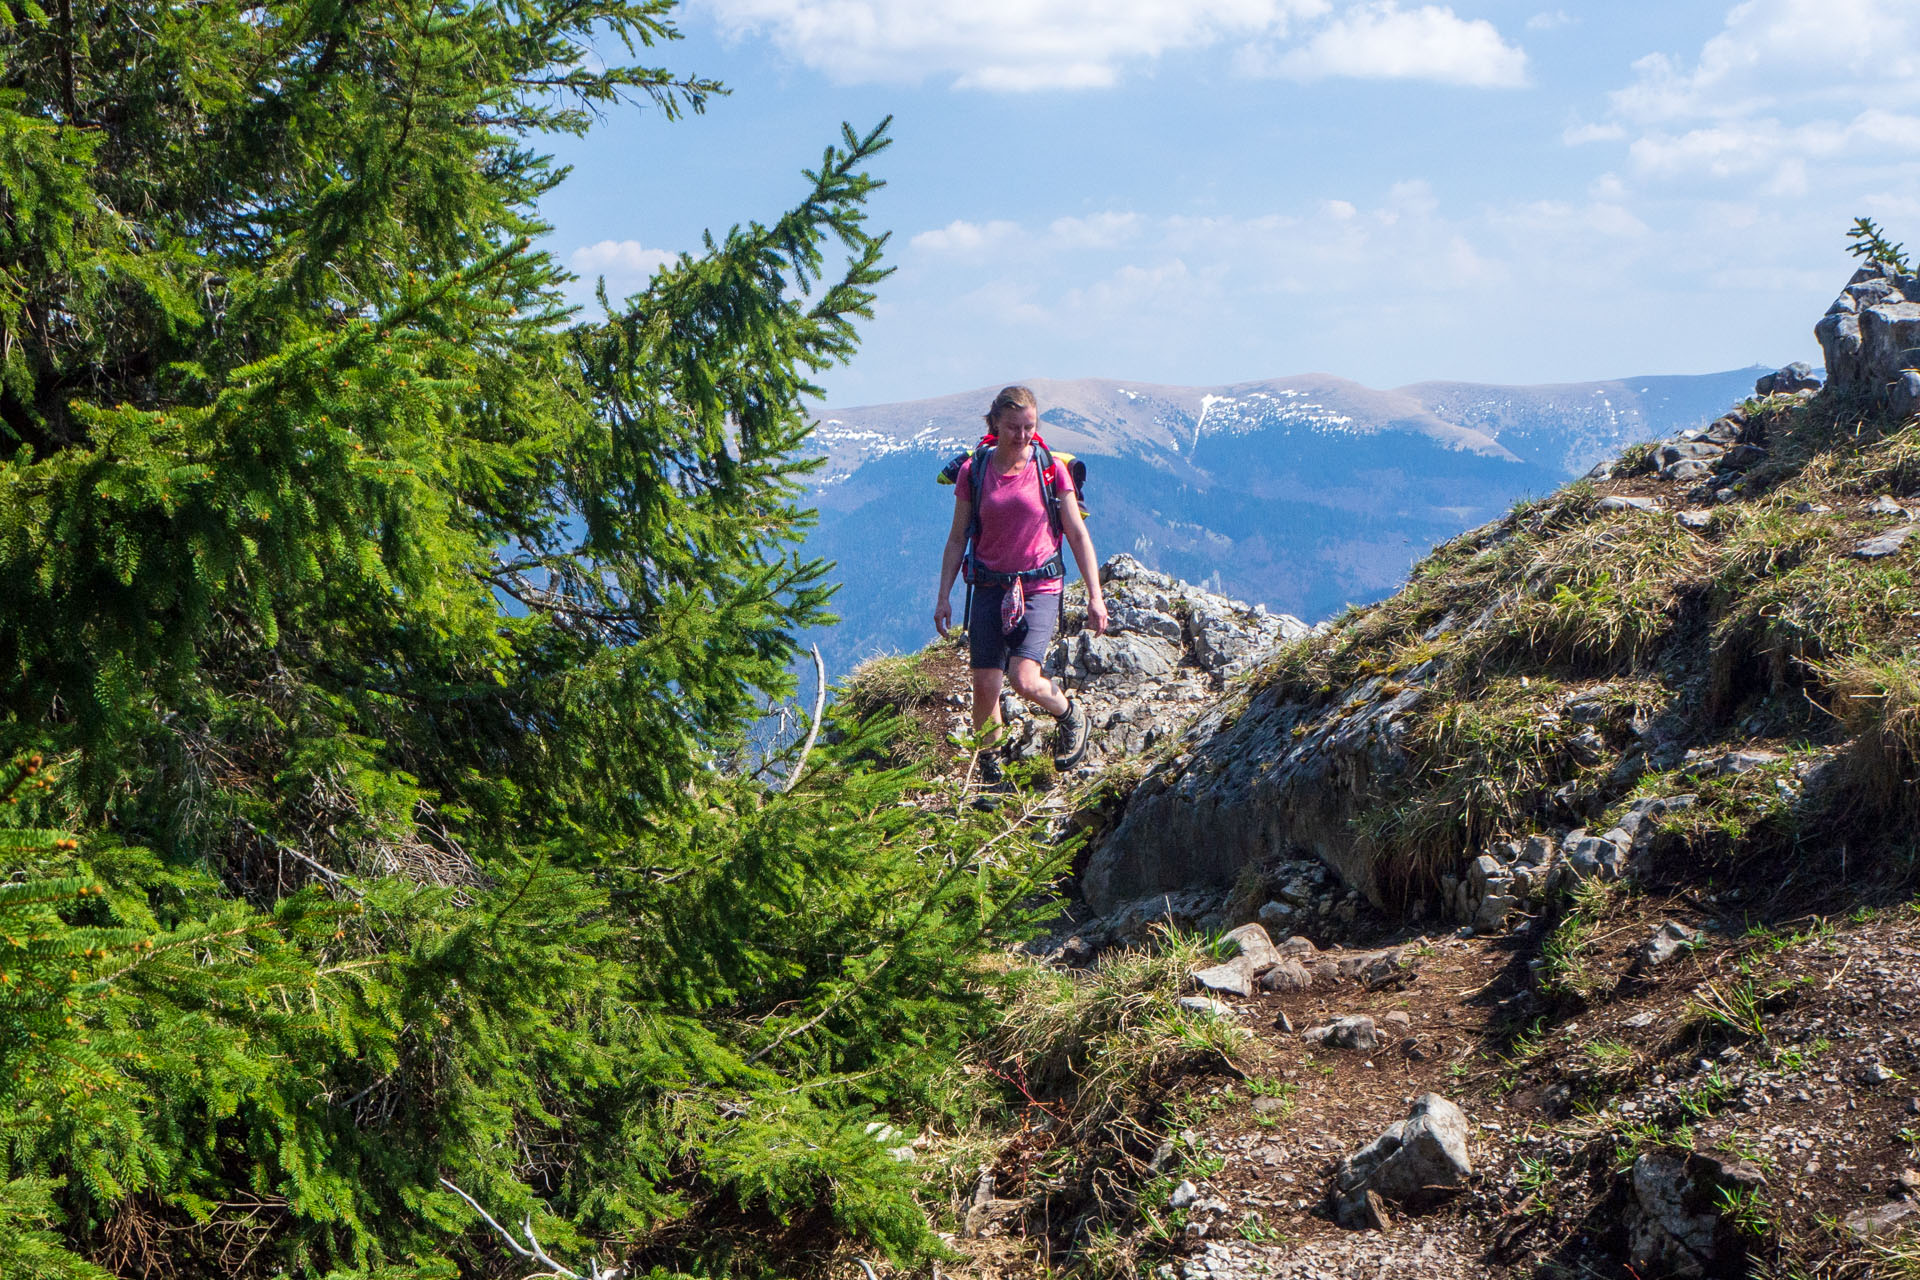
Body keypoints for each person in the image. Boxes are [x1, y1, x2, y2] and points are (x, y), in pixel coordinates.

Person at [934, 385, 1108, 784]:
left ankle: (1070, 716)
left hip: (1040, 585)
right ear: (995, 423)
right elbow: (957, 537)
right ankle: (991, 773)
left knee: (1024, 678)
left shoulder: (1049, 468)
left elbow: (1077, 535)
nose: (1023, 435)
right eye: (1014, 427)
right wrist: (943, 596)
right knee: (984, 683)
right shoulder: (973, 471)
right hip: (989, 586)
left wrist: (1095, 596)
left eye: (1029, 426)